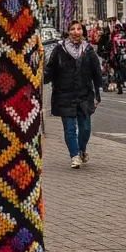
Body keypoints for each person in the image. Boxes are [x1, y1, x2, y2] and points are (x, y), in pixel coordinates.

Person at [44, 22, 101, 168]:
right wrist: (40, 79)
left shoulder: (88, 50)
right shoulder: (60, 49)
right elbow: (51, 69)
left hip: (84, 95)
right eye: (72, 29)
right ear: (68, 32)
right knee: (69, 128)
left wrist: (97, 93)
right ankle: (74, 156)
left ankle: (82, 150)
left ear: (82, 31)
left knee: (85, 128)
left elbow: (96, 72)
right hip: (64, 94)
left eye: (78, 29)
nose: (76, 32)